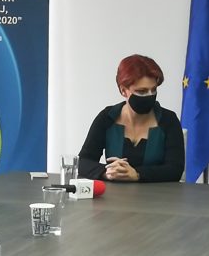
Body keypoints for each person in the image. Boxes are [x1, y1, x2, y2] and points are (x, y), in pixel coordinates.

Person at [79, 54, 184, 182]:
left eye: (153, 90)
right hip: (114, 194)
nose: (150, 95)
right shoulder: (107, 118)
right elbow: (83, 162)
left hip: (158, 194)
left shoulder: (168, 120)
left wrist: (137, 174)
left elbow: (175, 169)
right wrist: (107, 172)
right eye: (142, 91)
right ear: (123, 90)